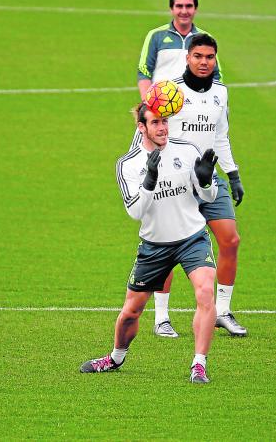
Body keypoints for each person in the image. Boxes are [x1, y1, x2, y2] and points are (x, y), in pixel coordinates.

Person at [80, 103, 219, 383]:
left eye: (165, 121)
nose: (163, 128)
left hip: (192, 238)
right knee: (131, 311)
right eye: (155, 122)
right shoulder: (128, 164)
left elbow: (209, 197)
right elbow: (135, 212)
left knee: (205, 292)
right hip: (155, 246)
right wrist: (149, 181)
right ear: (141, 127)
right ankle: (115, 357)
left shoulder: (187, 151)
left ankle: (199, 364)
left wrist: (205, 182)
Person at [131, 34, 246, 338]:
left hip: (207, 177)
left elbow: (221, 136)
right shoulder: (170, 92)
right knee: (168, 245)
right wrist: (146, 166)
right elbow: (147, 127)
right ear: (187, 58)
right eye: (198, 56)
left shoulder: (221, 92)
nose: (204, 62)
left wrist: (232, 174)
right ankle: (162, 317)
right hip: (176, 180)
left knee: (231, 240)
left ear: (215, 60)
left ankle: (222, 311)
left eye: (209, 57)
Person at [136, 0, 221, 101]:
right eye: (179, 6)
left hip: (196, 106)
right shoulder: (156, 35)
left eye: (189, 6)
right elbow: (144, 71)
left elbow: (216, 75)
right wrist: (148, 104)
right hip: (162, 106)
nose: (184, 11)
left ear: (195, 9)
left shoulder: (205, 38)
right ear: (172, 9)